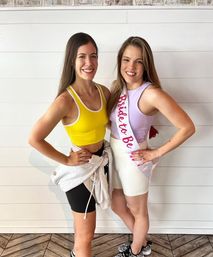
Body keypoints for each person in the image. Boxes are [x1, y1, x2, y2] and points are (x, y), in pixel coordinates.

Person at [108, 36, 195, 257]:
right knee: (117, 205)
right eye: (126, 60)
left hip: (134, 160)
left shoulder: (152, 93)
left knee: (138, 210)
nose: (131, 67)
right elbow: (117, 123)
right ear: (119, 62)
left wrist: (155, 152)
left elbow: (187, 127)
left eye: (138, 61)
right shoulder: (117, 89)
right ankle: (142, 242)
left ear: (146, 65)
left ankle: (136, 251)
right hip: (115, 154)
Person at [28, 32, 112, 257]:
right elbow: (34, 138)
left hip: (100, 163)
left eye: (93, 56)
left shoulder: (103, 92)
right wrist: (67, 160)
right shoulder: (65, 100)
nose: (89, 63)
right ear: (72, 61)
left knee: (86, 232)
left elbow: (117, 122)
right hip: (79, 171)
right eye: (82, 57)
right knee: (86, 235)